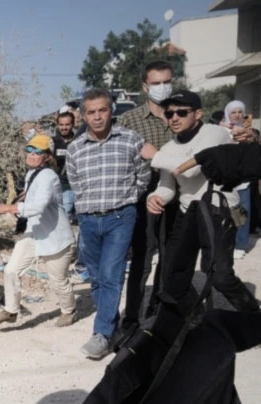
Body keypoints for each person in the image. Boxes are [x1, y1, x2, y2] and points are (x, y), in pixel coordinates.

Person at [147, 91, 260, 315]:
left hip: (220, 210)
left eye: (182, 112)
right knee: (173, 273)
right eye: (169, 113)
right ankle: (192, 317)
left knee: (219, 275)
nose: (175, 118)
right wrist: (156, 197)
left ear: (198, 114)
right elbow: (168, 186)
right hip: (188, 210)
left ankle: (252, 314)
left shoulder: (215, 133)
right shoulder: (168, 148)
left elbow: (195, 167)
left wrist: (154, 155)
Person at [67, 88, 151, 360]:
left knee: (111, 274)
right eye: (91, 112)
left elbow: (143, 177)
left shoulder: (131, 140)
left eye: (102, 110)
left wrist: (127, 201)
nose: (97, 117)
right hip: (89, 220)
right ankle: (111, 325)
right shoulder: (75, 148)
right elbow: (75, 183)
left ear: (111, 110)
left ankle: (101, 334)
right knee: (95, 276)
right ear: (83, 116)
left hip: (120, 217)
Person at [0, 135, 76, 327]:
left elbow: (38, 207)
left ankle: (69, 310)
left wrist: (6, 208)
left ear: (47, 156)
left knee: (57, 281)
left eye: (38, 152)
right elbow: (30, 201)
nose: (32, 155)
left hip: (55, 237)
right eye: (29, 150)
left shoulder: (48, 176)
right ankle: (11, 310)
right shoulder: (31, 174)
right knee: (11, 270)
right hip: (34, 232)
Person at [116, 60, 176, 340]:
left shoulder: (180, 115)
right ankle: (131, 318)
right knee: (142, 258)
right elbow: (120, 157)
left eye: (167, 81)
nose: (163, 87)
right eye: (156, 83)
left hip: (179, 195)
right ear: (144, 87)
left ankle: (158, 312)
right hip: (143, 196)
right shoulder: (130, 120)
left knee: (171, 255)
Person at [222, 100, 258, 259]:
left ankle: (241, 244)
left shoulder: (250, 132)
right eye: (233, 112)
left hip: (243, 180)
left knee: (242, 212)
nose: (237, 115)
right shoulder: (220, 130)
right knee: (225, 213)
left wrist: (247, 135)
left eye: (239, 112)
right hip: (224, 179)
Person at [53, 111, 78, 221]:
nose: (64, 127)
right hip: (56, 182)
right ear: (57, 125)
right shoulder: (52, 142)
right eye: (61, 124)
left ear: (72, 124)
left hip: (71, 183)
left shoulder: (78, 141)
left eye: (67, 124)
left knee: (66, 210)